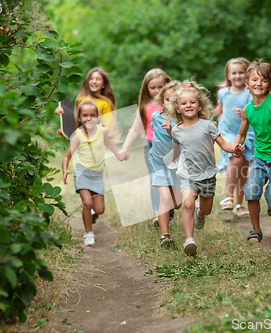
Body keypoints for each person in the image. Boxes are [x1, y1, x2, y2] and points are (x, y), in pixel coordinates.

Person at [169, 80, 245, 256]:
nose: (188, 105)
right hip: (188, 174)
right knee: (187, 203)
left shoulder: (207, 126)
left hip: (208, 174)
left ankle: (200, 213)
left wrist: (234, 149)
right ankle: (189, 240)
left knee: (206, 209)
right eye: (184, 103)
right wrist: (170, 164)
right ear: (178, 109)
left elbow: (224, 144)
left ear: (199, 105)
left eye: (192, 102)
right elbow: (177, 150)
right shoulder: (177, 130)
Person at [234, 59, 271, 243]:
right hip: (259, 157)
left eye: (263, 80)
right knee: (251, 192)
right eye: (254, 80)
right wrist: (237, 146)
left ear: (269, 84)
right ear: (247, 84)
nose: (258, 84)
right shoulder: (247, 110)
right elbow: (241, 135)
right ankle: (255, 231)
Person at [62, 101, 124, 246]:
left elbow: (109, 143)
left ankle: (90, 215)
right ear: (79, 117)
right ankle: (88, 233)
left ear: (97, 117)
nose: (89, 118)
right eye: (85, 115)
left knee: (99, 210)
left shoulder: (102, 132)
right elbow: (66, 156)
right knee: (87, 203)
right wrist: (65, 169)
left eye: (92, 115)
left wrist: (118, 154)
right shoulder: (77, 136)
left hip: (97, 176)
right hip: (82, 173)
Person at [119, 69, 171, 223]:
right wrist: (124, 148)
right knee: (156, 180)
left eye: (160, 87)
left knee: (172, 179)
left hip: (171, 146)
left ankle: (170, 210)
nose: (156, 91)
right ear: (146, 89)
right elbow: (135, 129)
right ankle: (157, 212)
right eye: (152, 88)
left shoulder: (171, 104)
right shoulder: (145, 106)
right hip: (151, 147)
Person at [213, 57, 254, 217]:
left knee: (243, 168)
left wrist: (244, 112)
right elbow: (221, 111)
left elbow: (254, 112)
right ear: (228, 76)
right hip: (228, 133)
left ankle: (238, 204)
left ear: (247, 74)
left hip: (247, 133)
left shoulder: (250, 93)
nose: (238, 76)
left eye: (241, 72)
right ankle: (228, 198)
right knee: (235, 157)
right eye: (234, 73)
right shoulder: (222, 93)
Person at [150, 81, 183, 247]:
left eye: (175, 99)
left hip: (177, 166)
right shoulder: (156, 117)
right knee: (164, 197)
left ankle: (169, 210)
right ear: (162, 102)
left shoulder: (182, 122)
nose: (171, 102)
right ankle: (165, 235)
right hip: (160, 165)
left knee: (177, 203)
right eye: (168, 99)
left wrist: (172, 130)